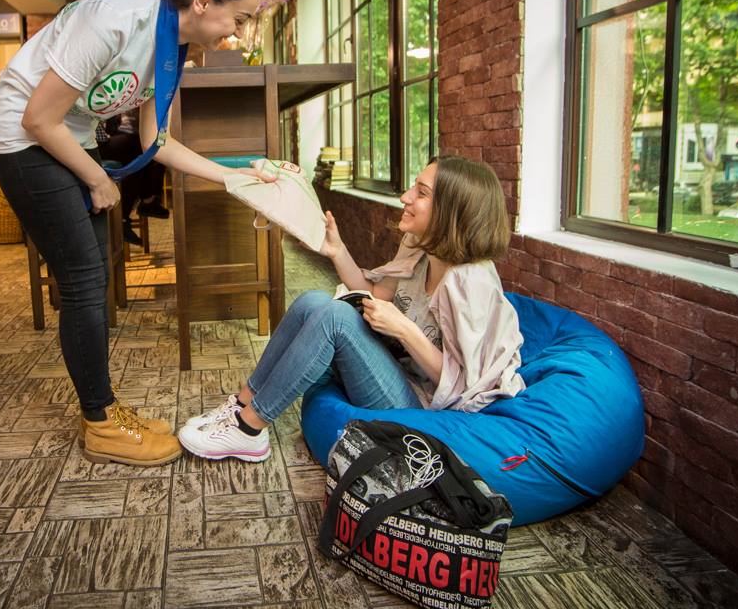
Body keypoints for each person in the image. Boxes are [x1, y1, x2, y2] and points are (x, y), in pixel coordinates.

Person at [0, 0, 272, 468]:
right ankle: (100, 423)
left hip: (65, 135)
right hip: (23, 138)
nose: (241, 33)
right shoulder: (116, 18)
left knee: (92, 274)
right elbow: (37, 118)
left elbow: (154, 142)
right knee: (84, 278)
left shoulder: (172, 48)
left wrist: (235, 175)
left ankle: (104, 408)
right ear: (203, 0)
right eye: (240, 19)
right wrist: (98, 179)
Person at [178, 155, 527, 462]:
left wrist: (404, 329)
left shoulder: (469, 282)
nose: (405, 197)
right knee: (312, 301)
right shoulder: (421, 248)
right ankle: (242, 403)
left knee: (335, 318)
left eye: (421, 193)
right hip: (398, 370)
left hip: (424, 404)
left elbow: (463, 387)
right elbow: (373, 292)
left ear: (452, 211)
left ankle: (249, 429)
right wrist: (337, 250)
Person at [96, 111, 167, 247]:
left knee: (154, 147)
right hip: (95, 143)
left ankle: (130, 215)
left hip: (109, 137)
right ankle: (146, 202)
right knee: (144, 147)